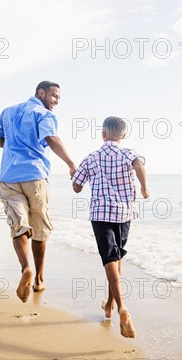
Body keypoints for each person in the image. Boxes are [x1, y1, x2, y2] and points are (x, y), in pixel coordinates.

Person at [0, 80, 77, 303]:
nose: (56, 101)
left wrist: (12, 146)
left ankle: (25, 268)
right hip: (35, 177)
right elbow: (51, 138)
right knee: (40, 228)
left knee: (19, 225)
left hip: (8, 177)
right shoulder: (44, 115)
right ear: (41, 92)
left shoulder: (7, 112)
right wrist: (71, 164)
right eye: (54, 96)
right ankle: (38, 279)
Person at [72, 116, 149, 338]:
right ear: (123, 135)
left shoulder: (92, 157)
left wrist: (76, 177)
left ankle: (122, 307)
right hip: (124, 214)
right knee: (116, 259)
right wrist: (144, 188)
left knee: (108, 259)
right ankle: (109, 306)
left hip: (101, 213)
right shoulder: (128, 153)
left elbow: (77, 187)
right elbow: (139, 165)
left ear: (103, 134)